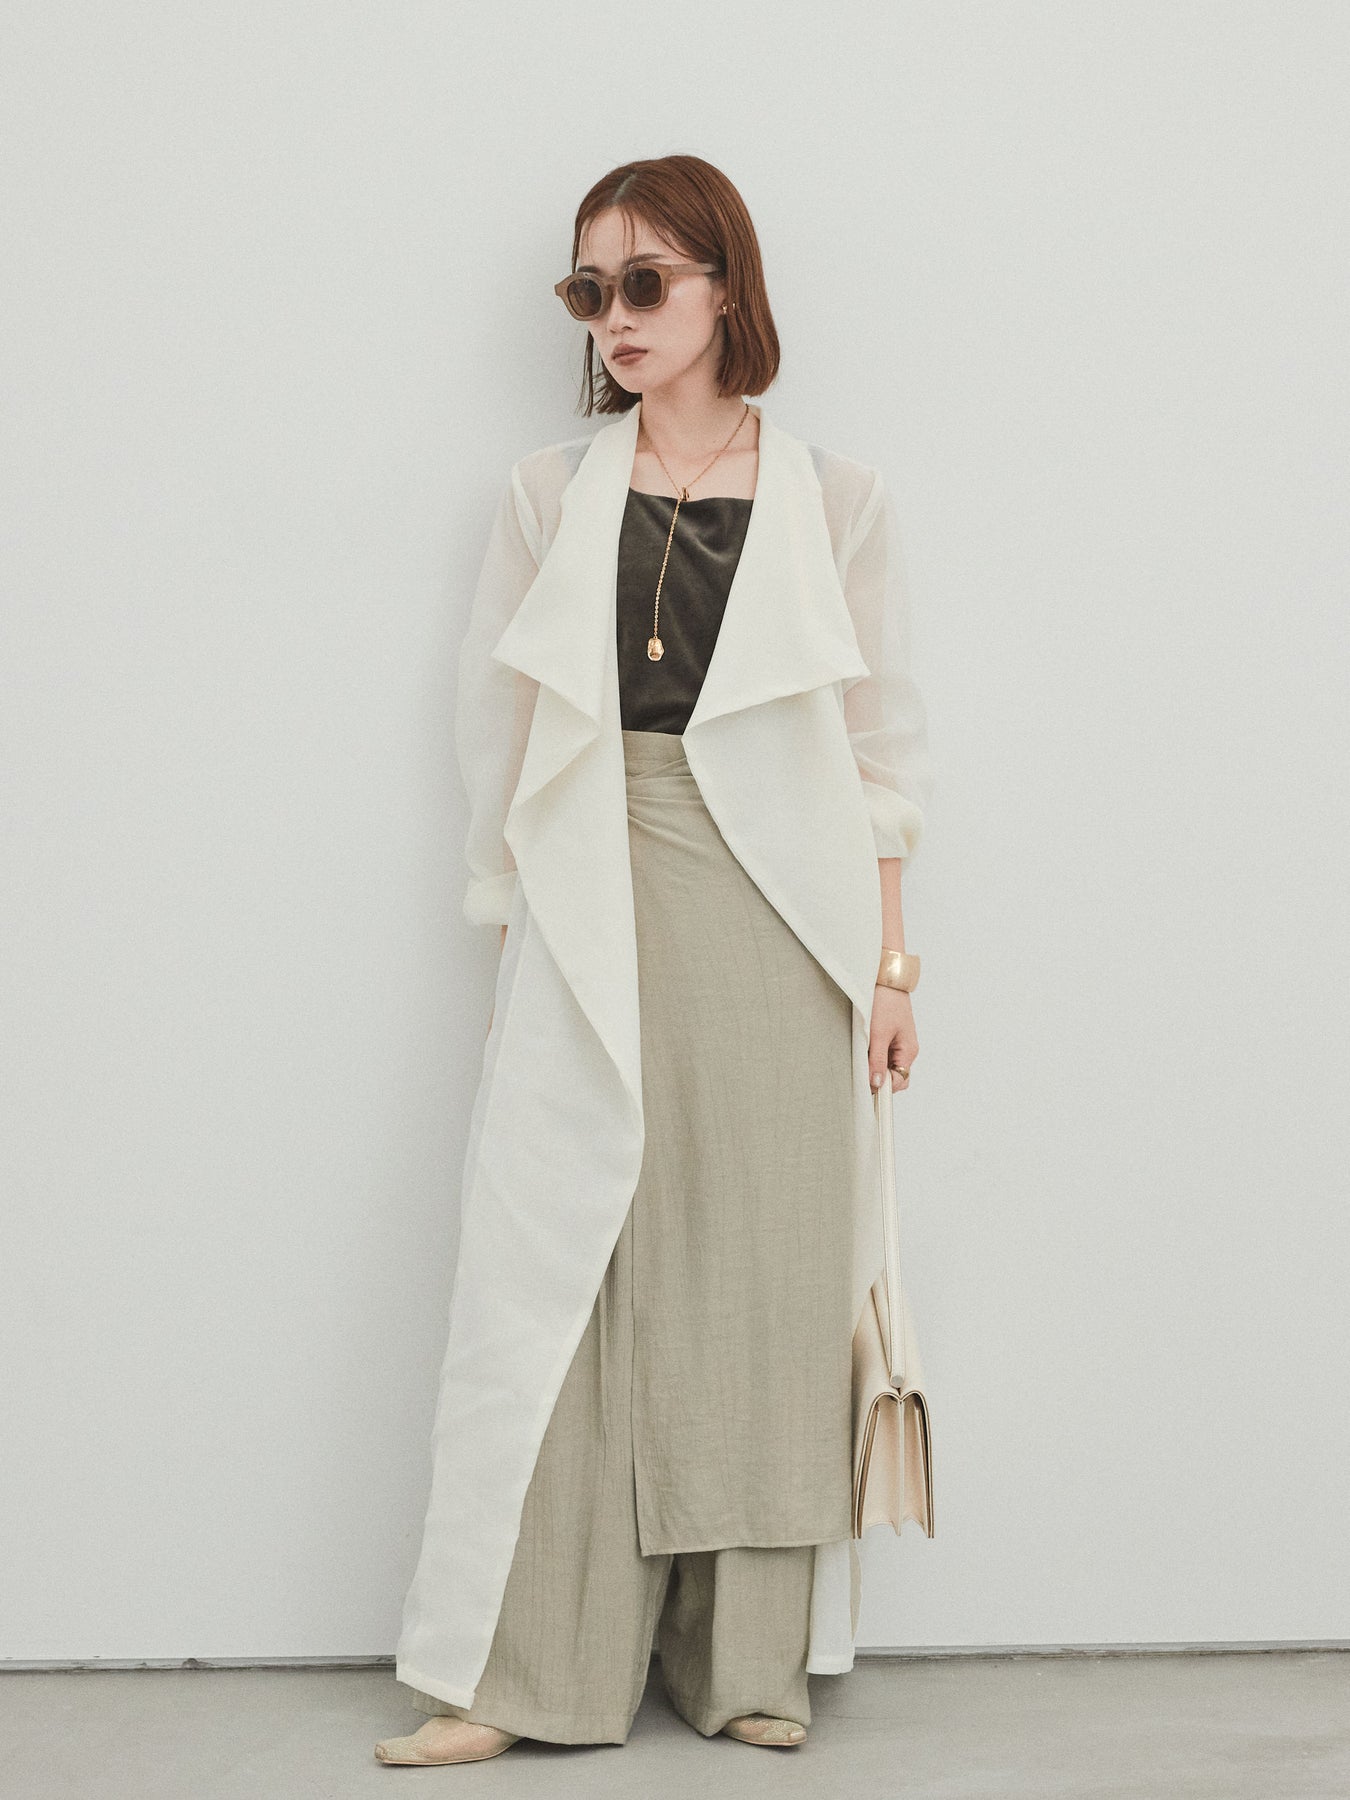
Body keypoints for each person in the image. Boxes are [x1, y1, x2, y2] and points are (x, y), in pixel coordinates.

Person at [375, 153, 932, 1766]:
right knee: (566, 1275)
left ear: (722, 289)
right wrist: (508, 921)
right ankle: (525, 1673)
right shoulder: (549, 494)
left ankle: (746, 1662)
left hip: (785, 916)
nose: (613, 317)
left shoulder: (837, 499)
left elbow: (878, 750)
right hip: (592, 882)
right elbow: (495, 732)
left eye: (644, 282)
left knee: (763, 1276)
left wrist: (891, 975)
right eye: (588, 288)